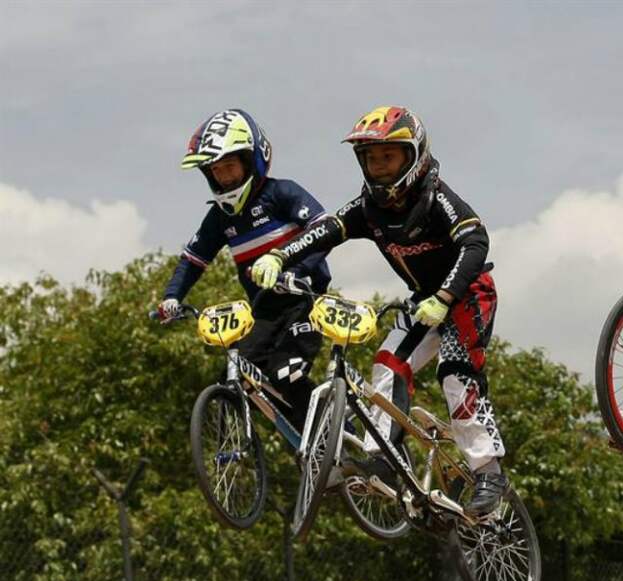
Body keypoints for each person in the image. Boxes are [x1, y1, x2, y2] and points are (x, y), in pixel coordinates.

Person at [250, 106, 507, 515]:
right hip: (423, 302)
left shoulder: (437, 198)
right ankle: (385, 458)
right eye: (372, 159)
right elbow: (327, 230)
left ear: (414, 156)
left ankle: (488, 471)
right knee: (386, 366)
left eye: (388, 157)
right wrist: (281, 256)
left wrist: (444, 298)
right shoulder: (368, 209)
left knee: (455, 377)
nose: (380, 168)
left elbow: (475, 242)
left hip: (468, 296)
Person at [158, 109, 331, 430]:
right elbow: (192, 260)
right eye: (216, 171)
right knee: (237, 375)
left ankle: (339, 431)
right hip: (264, 310)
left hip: (305, 302)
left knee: (285, 373)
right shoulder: (220, 218)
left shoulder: (282, 193)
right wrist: (171, 297)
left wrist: (300, 270)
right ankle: (299, 447)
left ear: (252, 160)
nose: (224, 177)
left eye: (230, 167)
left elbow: (323, 229)